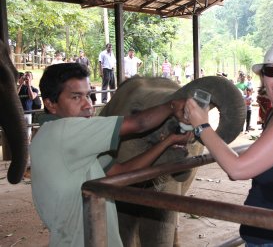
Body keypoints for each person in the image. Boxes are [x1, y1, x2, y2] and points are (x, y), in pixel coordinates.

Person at [30, 63, 189, 247]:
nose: (88, 105)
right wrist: (172, 106)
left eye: (88, 95)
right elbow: (139, 124)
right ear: (50, 104)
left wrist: (167, 142)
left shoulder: (63, 140)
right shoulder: (63, 131)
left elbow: (121, 172)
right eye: (76, 97)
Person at [184, 36, 273, 246]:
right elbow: (255, 163)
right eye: (271, 71)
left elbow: (238, 170)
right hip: (268, 233)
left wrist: (202, 126)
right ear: (263, 77)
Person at [17, 71, 39, 141]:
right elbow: (15, 94)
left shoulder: (34, 89)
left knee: (28, 132)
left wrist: (28, 85)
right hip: (18, 113)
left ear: (32, 78)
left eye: (29, 76)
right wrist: (20, 84)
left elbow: (32, 97)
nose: (27, 77)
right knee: (18, 131)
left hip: (28, 113)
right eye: (25, 76)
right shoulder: (18, 87)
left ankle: (27, 147)